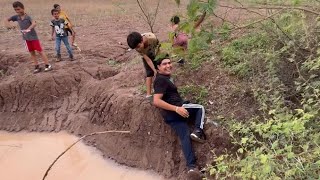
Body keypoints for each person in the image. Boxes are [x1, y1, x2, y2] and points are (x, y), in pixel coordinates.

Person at [153, 54, 206, 173]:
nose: (168, 65)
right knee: (200, 108)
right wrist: (177, 109)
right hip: (176, 110)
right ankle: (198, 131)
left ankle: (192, 168)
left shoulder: (163, 79)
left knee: (185, 137)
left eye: (169, 63)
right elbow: (156, 101)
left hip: (169, 116)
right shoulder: (161, 80)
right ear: (158, 68)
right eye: (164, 64)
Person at [5, 1, 52, 73]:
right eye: (15, 10)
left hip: (33, 37)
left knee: (40, 51)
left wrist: (28, 29)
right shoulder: (16, 17)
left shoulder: (28, 17)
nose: (17, 11)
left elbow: (34, 23)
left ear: (23, 8)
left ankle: (47, 65)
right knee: (31, 52)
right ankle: (36, 66)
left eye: (19, 9)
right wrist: (9, 26)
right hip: (26, 39)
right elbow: (6, 20)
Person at [127, 32, 160, 99]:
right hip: (147, 55)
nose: (138, 49)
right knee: (149, 73)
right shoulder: (138, 48)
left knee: (161, 69)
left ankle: (163, 89)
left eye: (138, 46)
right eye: (136, 48)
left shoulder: (152, 38)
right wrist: (154, 70)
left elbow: (159, 48)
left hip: (155, 51)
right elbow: (148, 60)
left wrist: (158, 62)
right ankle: (148, 94)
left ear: (142, 40)